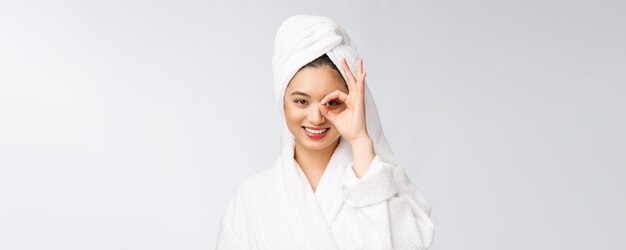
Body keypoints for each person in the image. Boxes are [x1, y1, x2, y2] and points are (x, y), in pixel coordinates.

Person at [217, 14, 434, 249]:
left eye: (332, 102)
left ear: (352, 102)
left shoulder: (383, 183)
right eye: (301, 101)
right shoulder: (251, 198)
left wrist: (361, 141)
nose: (316, 117)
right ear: (282, 102)